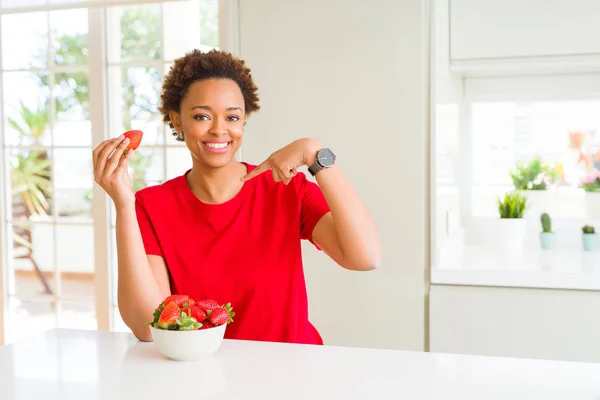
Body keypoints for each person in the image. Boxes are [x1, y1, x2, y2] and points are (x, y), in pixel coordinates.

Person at [92, 49, 381, 344]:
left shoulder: (286, 187)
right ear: (177, 121)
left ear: (243, 122)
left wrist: (314, 152)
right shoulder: (151, 205)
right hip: (205, 378)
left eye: (232, 117)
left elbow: (366, 257)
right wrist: (124, 206)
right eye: (202, 116)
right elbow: (148, 326)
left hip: (293, 375)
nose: (219, 129)